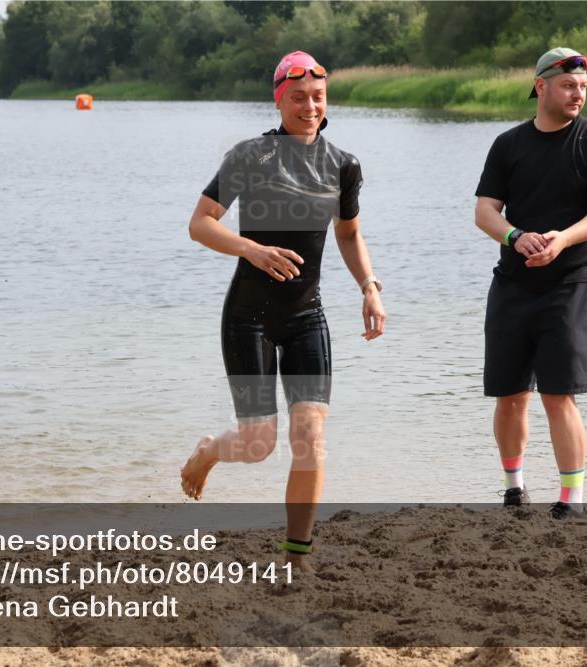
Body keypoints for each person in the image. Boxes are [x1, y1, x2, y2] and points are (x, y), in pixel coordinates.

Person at [180, 51, 385, 567]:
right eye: (298, 98)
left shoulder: (343, 165)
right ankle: (210, 449)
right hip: (248, 316)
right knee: (257, 443)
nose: (310, 106)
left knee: (311, 436)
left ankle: (297, 555)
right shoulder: (250, 156)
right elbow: (201, 223)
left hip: (305, 316)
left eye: (318, 96)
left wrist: (369, 285)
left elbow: (350, 233)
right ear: (279, 99)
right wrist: (251, 249)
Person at [473, 48, 587, 519]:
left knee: (559, 394)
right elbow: (485, 212)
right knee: (510, 395)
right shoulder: (508, 144)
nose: (578, 93)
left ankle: (572, 500)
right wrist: (514, 237)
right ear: (541, 86)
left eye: (582, 86)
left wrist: (562, 240)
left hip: (573, 284)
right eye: (568, 85)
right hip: (513, 284)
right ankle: (514, 488)